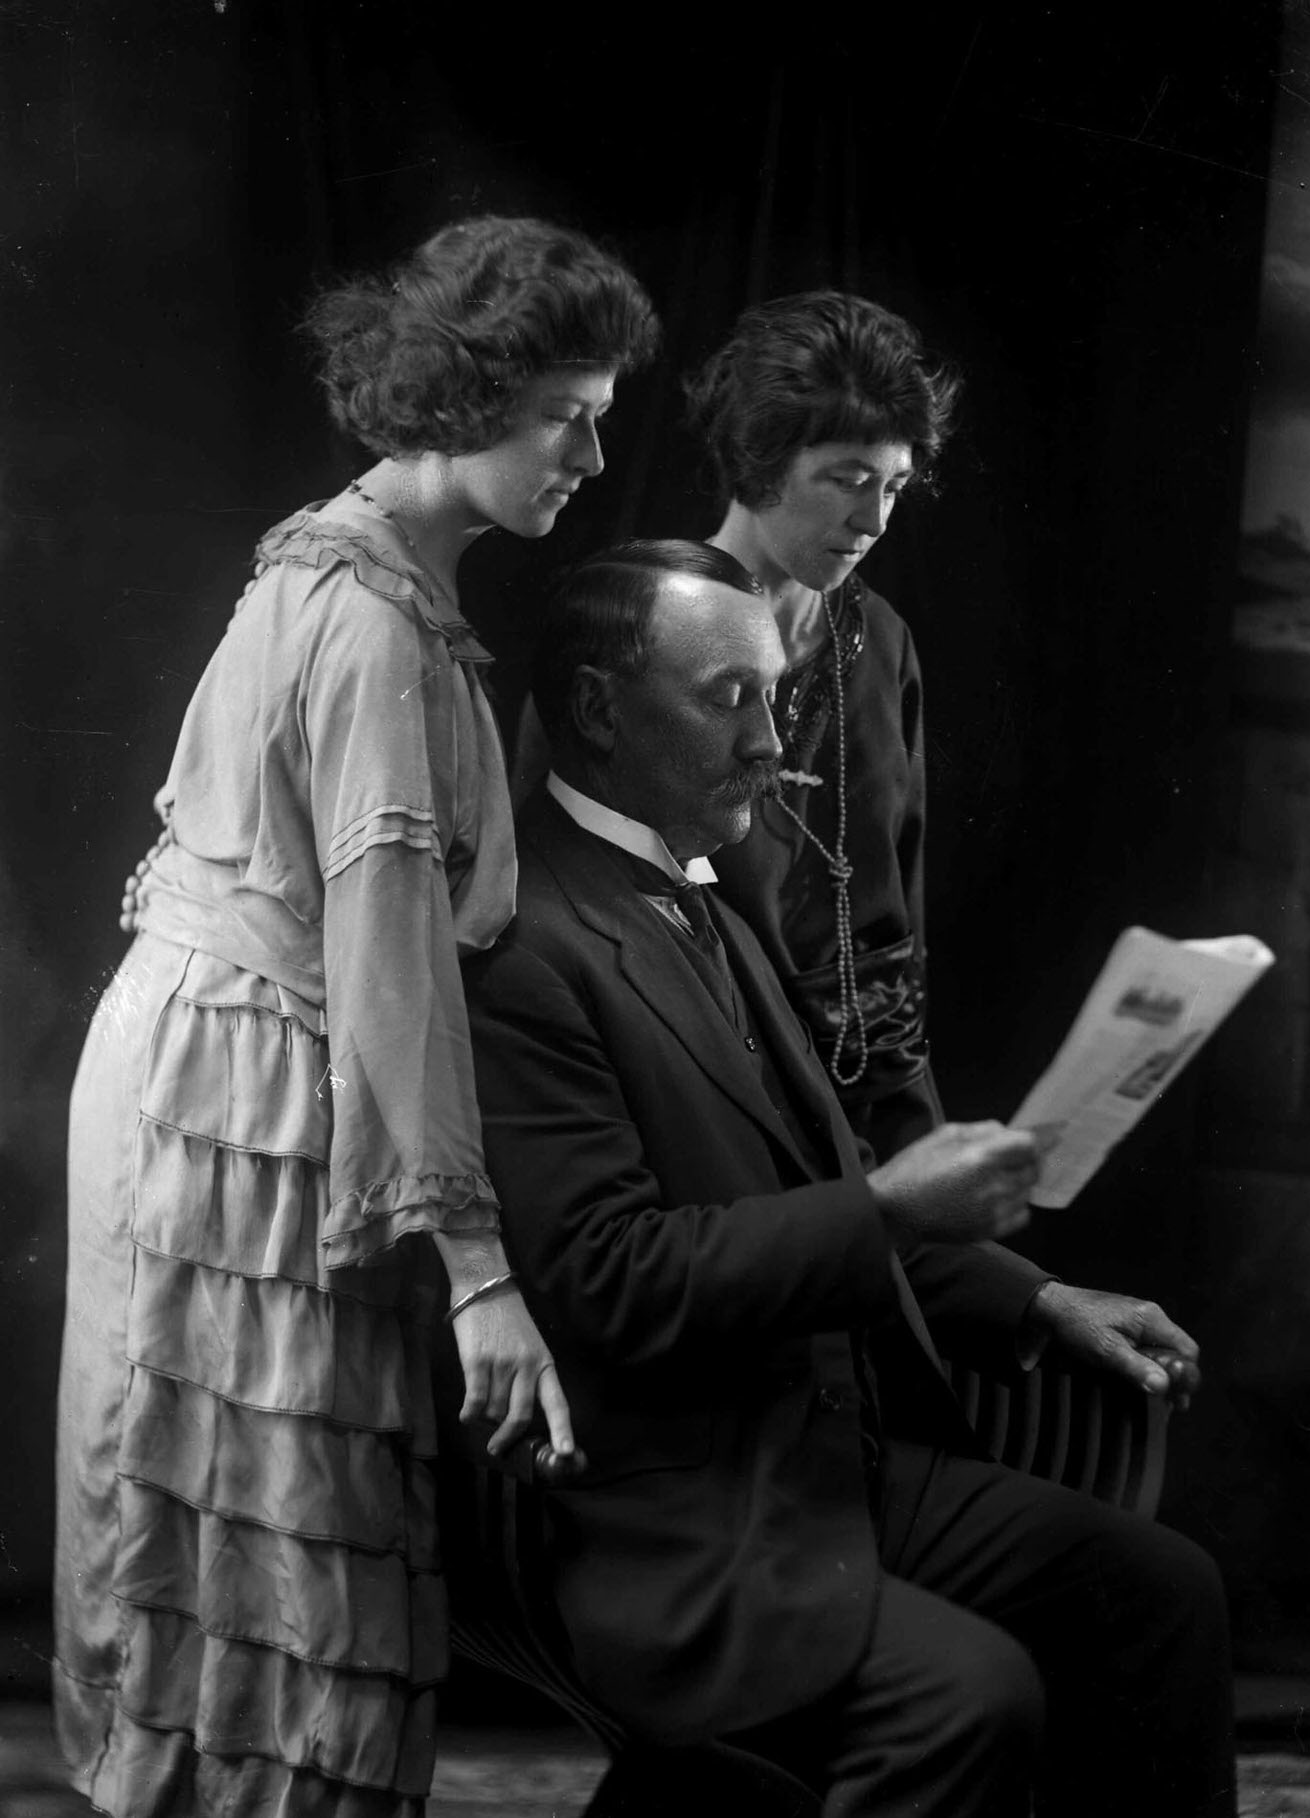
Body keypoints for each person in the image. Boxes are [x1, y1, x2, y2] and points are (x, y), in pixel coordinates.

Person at [461, 539, 1235, 1818]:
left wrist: (1037, 1302)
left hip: (834, 1465)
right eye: (730, 698)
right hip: (678, 1519)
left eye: (774, 694)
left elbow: (815, 1177)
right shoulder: (527, 945)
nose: (772, 742)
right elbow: (606, 1280)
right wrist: (885, 1208)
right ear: (599, 707)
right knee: (968, 1698)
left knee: (1160, 1596)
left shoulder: (697, 892)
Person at [52, 216, 658, 1818]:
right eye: (566, 415)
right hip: (238, 1093)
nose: (595, 452)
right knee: (268, 1572)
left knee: (274, 1565)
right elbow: (387, 961)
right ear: (464, 403)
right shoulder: (372, 621)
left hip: (235, 1056)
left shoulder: (374, 572)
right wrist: (478, 1273)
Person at [685, 291, 959, 1162]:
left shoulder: (882, 644)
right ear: (762, 461)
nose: (874, 521)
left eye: (895, 487)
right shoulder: (638, 632)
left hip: (864, 1118)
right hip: (703, 1121)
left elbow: (894, 915)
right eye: (847, 480)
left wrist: (919, 1146)